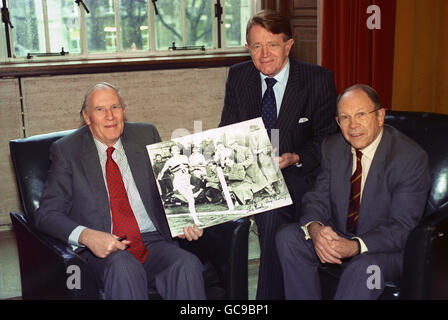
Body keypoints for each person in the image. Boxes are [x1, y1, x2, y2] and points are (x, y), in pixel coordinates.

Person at [34, 82, 206, 300]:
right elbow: (47, 213)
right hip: (102, 247)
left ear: (124, 111)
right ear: (86, 117)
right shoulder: (67, 151)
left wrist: (183, 220)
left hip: (151, 240)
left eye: (115, 107)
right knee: (125, 268)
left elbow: (168, 190)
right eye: (100, 110)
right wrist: (87, 236)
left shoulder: (146, 135)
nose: (110, 116)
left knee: (186, 264)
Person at [219, 9, 338, 299]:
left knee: (270, 209)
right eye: (256, 46)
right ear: (248, 48)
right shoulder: (239, 76)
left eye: (272, 44)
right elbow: (226, 130)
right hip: (249, 173)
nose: (264, 54)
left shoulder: (317, 79)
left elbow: (328, 139)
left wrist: (295, 157)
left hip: (299, 175)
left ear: (288, 45)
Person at [275, 84, 431, 299]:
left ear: (380, 116)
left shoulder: (409, 159)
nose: (353, 125)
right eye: (344, 117)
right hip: (341, 235)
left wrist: (355, 246)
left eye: (360, 114)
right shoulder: (332, 146)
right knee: (288, 238)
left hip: (385, 254)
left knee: (364, 270)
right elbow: (316, 198)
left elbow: (403, 228)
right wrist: (315, 229)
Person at [157, 144, 202, 226]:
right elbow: (162, 171)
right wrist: (160, 176)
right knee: (190, 200)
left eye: (177, 148)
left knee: (192, 200)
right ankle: (196, 220)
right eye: (174, 148)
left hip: (187, 181)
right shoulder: (170, 161)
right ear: (171, 152)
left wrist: (196, 169)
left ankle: (195, 219)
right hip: (179, 182)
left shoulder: (184, 157)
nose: (177, 149)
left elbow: (190, 167)